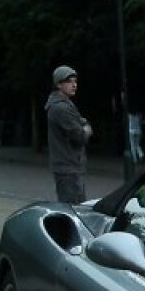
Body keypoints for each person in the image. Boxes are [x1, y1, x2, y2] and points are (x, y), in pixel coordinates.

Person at [45, 65, 92, 203]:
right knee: (74, 209)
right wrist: (87, 130)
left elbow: (80, 120)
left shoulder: (64, 104)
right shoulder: (60, 108)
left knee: (73, 207)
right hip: (68, 167)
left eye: (75, 81)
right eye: (69, 82)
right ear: (59, 84)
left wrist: (82, 123)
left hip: (69, 166)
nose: (74, 85)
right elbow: (80, 136)